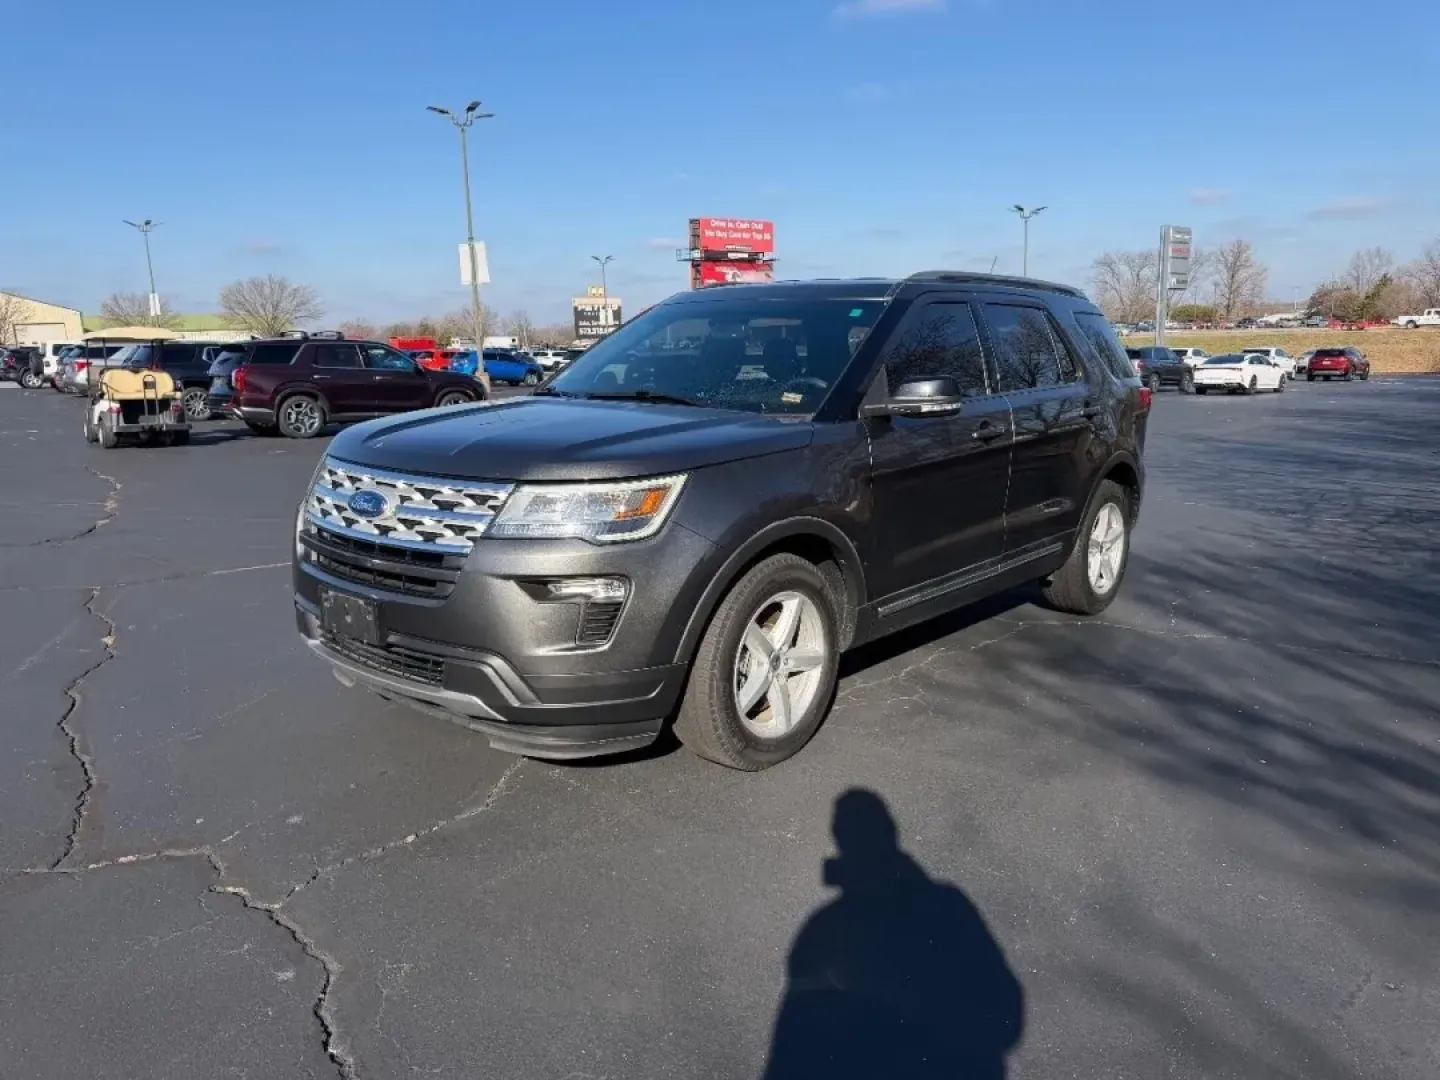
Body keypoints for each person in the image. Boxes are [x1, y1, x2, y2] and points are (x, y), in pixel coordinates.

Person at [762, 789, 1025, 1080]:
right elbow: (1005, 1015)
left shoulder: (822, 927)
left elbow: (792, 1041)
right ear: (890, 831)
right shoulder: (948, 905)